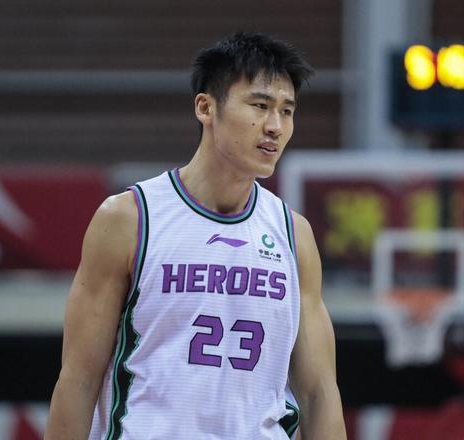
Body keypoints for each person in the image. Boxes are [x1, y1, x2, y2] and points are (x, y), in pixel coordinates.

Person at [45, 31, 346, 440]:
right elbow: (78, 379)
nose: (275, 126)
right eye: (260, 106)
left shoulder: (294, 235)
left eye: (287, 111)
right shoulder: (129, 218)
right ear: (206, 107)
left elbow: (319, 393)